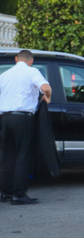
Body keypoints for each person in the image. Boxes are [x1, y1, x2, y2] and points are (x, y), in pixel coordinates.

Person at [0, 50, 52, 205]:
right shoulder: (32, 72)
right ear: (31, 61)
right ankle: (19, 194)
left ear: (16, 59)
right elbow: (46, 87)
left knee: (8, 156)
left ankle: (5, 192)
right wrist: (47, 97)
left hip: (6, 118)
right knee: (23, 156)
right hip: (23, 119)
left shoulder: (4, 75)